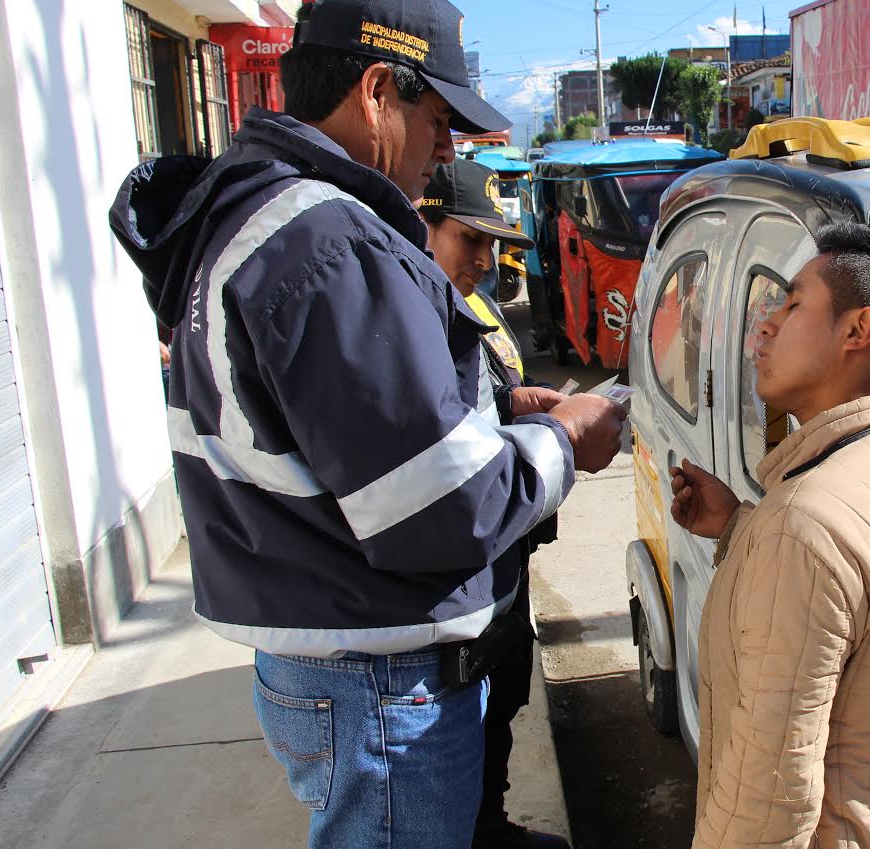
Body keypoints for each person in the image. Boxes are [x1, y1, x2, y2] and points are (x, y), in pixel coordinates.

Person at [107, 1, 625, 847]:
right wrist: (566, 439)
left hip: (341, 666)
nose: (449, 147)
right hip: (380, 687)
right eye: (440, 119)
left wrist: (489, 410)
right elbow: (443, 512)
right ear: (379, 89)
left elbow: (321, 425)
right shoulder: (329, 241)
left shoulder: (261, 215)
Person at [669, 223, 870, 849]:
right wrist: (739, 528)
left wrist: (772, 533)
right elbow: (868, 620)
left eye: (793, 304)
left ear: (858, 331)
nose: (765, 325)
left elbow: (765, 801)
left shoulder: (806, 524)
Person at [417, 159, 569, 849]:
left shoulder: (464, 301)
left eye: (493, 244)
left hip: (504, 559)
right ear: (423, 225)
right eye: (467, 239)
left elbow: (474, 402)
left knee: (503, 697)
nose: (484, 259)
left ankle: (490, 825)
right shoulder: (411, 314)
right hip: (462, 570)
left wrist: (516, 398)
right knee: (465, 720)